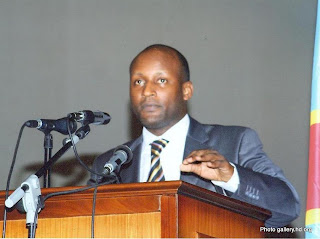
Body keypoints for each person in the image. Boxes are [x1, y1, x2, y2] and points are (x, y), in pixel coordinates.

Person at [89, 44, 300, 228]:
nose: (147, 91)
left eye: (161, 80)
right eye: (138, 82)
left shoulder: (234, 142)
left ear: (186, 91)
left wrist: (231, 177)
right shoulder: (108, 164)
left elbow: (288, 207)